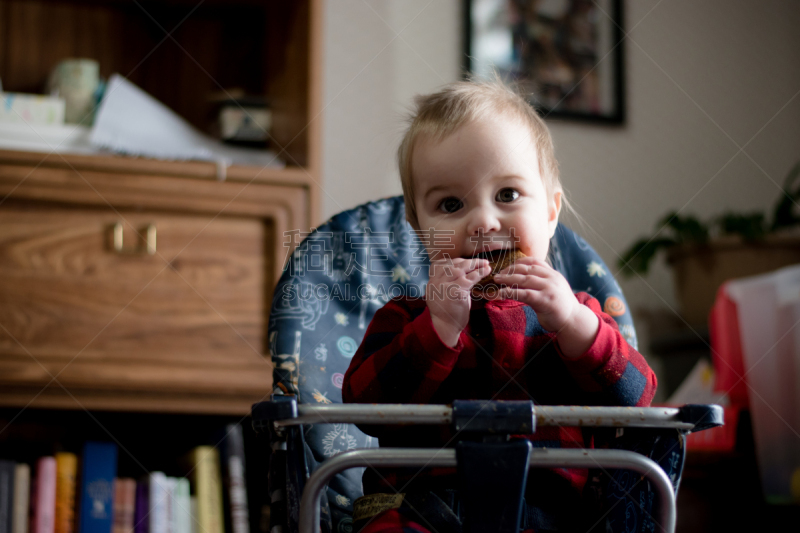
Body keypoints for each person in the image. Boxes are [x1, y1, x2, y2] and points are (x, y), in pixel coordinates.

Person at [342, 78, 657, 533]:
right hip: (421, 508)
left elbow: (638, 401)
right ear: (420, 228)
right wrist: (437, 331)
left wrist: (573, 325)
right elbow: (364, 406)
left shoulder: (580, 312)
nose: (484, 222)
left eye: (507, 195)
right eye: (451, 204)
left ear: (550, 213)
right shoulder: (407, 318)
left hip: (556, 515)